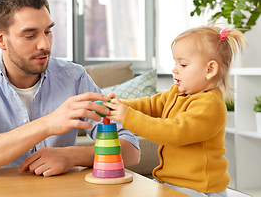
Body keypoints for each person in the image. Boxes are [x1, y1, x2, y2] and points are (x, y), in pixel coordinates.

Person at [0, 0, 140, 177]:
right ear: (0, 40)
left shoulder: (74, 77)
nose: (44, 45)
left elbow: (131, 149)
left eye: (47, 32)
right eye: (30, 35)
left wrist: (73, 156)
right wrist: (47, 124)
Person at [104, 25, 247, 196]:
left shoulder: (210, 106)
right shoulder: (177, 93)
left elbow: (174, 132)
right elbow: (150, 105)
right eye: (175, 63)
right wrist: (119, 105)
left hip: (199, 189)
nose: (174, 69)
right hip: (170, 183)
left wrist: (127, 116)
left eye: (183, 64)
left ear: (209, 70)